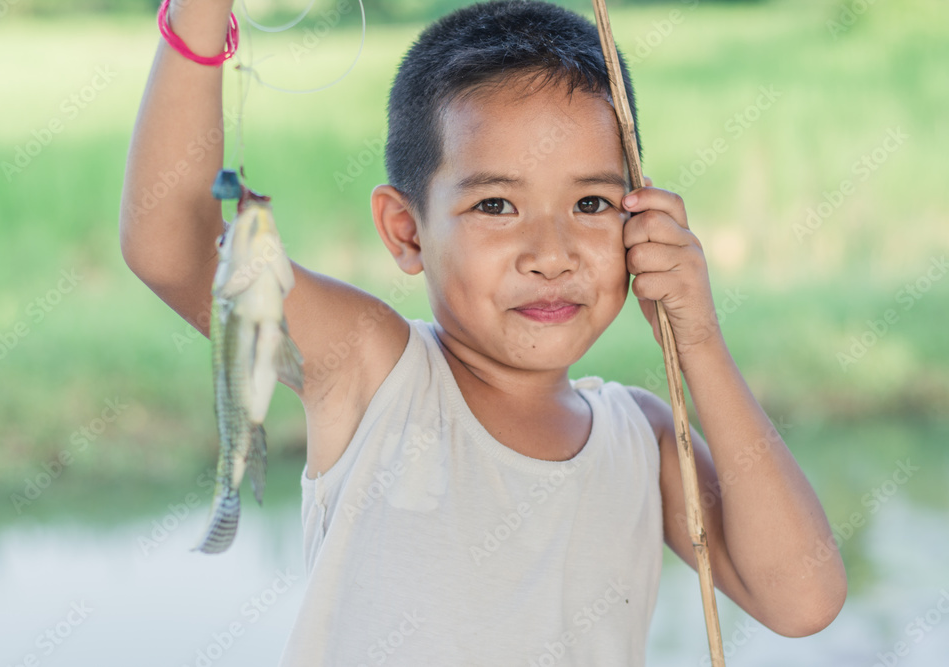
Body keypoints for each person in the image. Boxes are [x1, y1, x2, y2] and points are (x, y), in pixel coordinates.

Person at [120, 0, 847, 664]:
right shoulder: (376, 373)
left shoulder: (649, 438)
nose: (552, 253)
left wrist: (699, 342)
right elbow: (172, 246)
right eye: (497, 205)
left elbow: (802, 598)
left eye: (592, 201)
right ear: (407, 231)